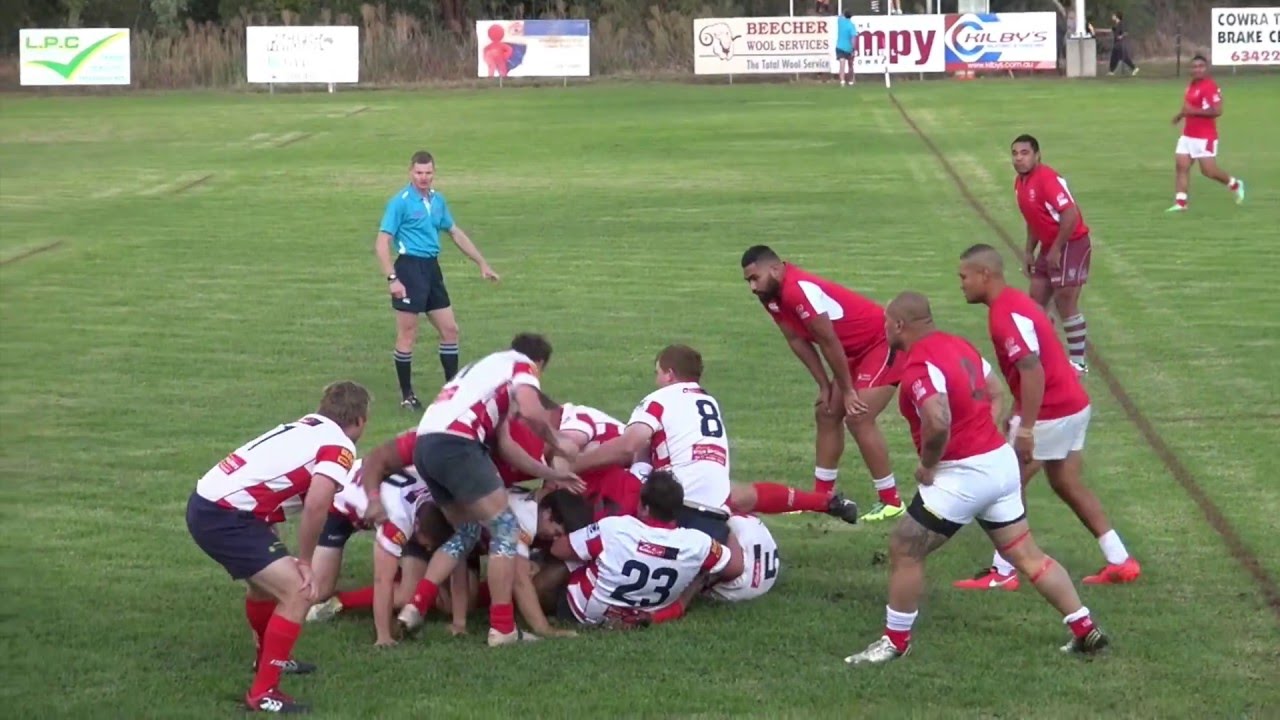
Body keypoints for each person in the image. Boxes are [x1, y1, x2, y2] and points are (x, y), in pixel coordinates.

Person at [843, 293, 1109, 666]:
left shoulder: (919, 364)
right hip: (998, 466)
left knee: (906, 548)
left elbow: (937, 421)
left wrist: (929, 465)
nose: (884, 328)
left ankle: (895, 642)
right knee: (1027, 554)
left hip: (961, 475)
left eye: (887, 322)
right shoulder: (958, 344)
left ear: (899, 325)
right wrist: (985, 432)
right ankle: (1085, 628)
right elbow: (996, 390)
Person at [360, 333, 579, 647]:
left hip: (425, 446)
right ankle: (503, 628)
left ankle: (417, 604)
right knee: (505, 528)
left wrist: (549, 472)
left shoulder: (484, 370)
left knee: (466, 531)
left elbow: (507, 445)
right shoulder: (522, 366)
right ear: (539, 364)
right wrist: (559, 443)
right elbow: (532, 411)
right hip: (457, 445)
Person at [955, 244, 1140, 589]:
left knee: (1005, 486)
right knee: (1066, 482)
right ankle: (1120, 560)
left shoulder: (1004, 315)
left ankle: (1005, 571)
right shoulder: (1016, 302)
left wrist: (1025, 426)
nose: (961, 284)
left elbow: (1033, 370)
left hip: (1050, 412)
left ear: (985, 274)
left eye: (964, 277)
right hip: (1073, 403)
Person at [186, 381, 369, 714]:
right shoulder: (340, 446)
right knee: (298, 591)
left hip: (210, 504)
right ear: (360, 421)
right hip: (226, 516)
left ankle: (267, 660)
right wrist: (305, 561)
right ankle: (263, 692)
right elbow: (317, 505)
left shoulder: (304, 426)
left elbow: (270, 479)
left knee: (264, 589)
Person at [574, 345, 860, 543]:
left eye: (657, 373)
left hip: (675, 508)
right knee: (738, 494)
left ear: (669, 374)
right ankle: (825, 501)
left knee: (625, 479)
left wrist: (573, 465)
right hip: (715, 510)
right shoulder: (708, 400)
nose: (656, 379)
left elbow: (628, 445)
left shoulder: (660, 399)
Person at [741, 245, 905, 521]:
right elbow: (796, 339)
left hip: (880, 344)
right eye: (748, 281)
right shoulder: (770, 296)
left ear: (775, 268)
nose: (752, 287)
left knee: (858, 416)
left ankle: (892, 500)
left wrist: (849, 392)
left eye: (754, 278)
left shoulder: (796, 290)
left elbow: (828, 340)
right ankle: (821, 498)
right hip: (852, 353)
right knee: (827, 412)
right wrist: (825, 386)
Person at [375, 150, 501, 411]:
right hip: (409, 269)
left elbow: (454, 232)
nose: (424, 177)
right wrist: (392, 279)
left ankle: (452, 391)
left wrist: (482, 263)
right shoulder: (400, 202)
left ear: (434, 173)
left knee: (450, 330)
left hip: (431, 270)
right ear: (411, 172)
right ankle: (407, 395)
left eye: (428, 173)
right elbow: (382, 242)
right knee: (408, 333)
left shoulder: (438, 200)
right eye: (419, 173)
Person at [548, 470, 740, 626]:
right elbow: (734, 567)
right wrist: (729, 530)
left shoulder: (616, 528)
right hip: (645, 613)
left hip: (582, 613)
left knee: (574, 559)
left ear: (645, 507)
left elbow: (558, 550)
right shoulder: (699, 543)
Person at [1011, 134, 1091, 373]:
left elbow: (1070, 214)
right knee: (1035, 300)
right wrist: (1028, 251)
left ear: (1037, 155)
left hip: (1072, 243)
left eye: (1024, 153)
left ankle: (1078, 362)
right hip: (1049, 245)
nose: (1019, 158)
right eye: (1015, 154)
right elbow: (1034, 220)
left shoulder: (1047, 179)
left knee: (1065, 300)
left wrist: (1055, 249)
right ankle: (1045, 355)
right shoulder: (1020, 184)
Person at [1168, 55, 1246, 212]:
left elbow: (1217, 111)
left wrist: (1192, 111)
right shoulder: (1191, 85)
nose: (1197, 69)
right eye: (1194, 66)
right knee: (1181, 166)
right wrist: (1180, 115)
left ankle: (1235, 184)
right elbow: (1188, 106)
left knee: (1208, 171)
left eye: (1201, 66)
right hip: (1188, 134)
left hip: (1204, 137)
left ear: (1206, 68)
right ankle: (1181, 203)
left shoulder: (1209, 86)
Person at [835, 10, 858, 87]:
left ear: (844, 15)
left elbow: (839, 16)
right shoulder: (851, 25)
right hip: (848, 47)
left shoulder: (840, 22)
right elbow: (853, 38)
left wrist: (842, 14)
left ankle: (842, 81)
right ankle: (850, 81)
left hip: (840, 47)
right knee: (850, 65)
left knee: (842, 64)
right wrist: (853, 48)